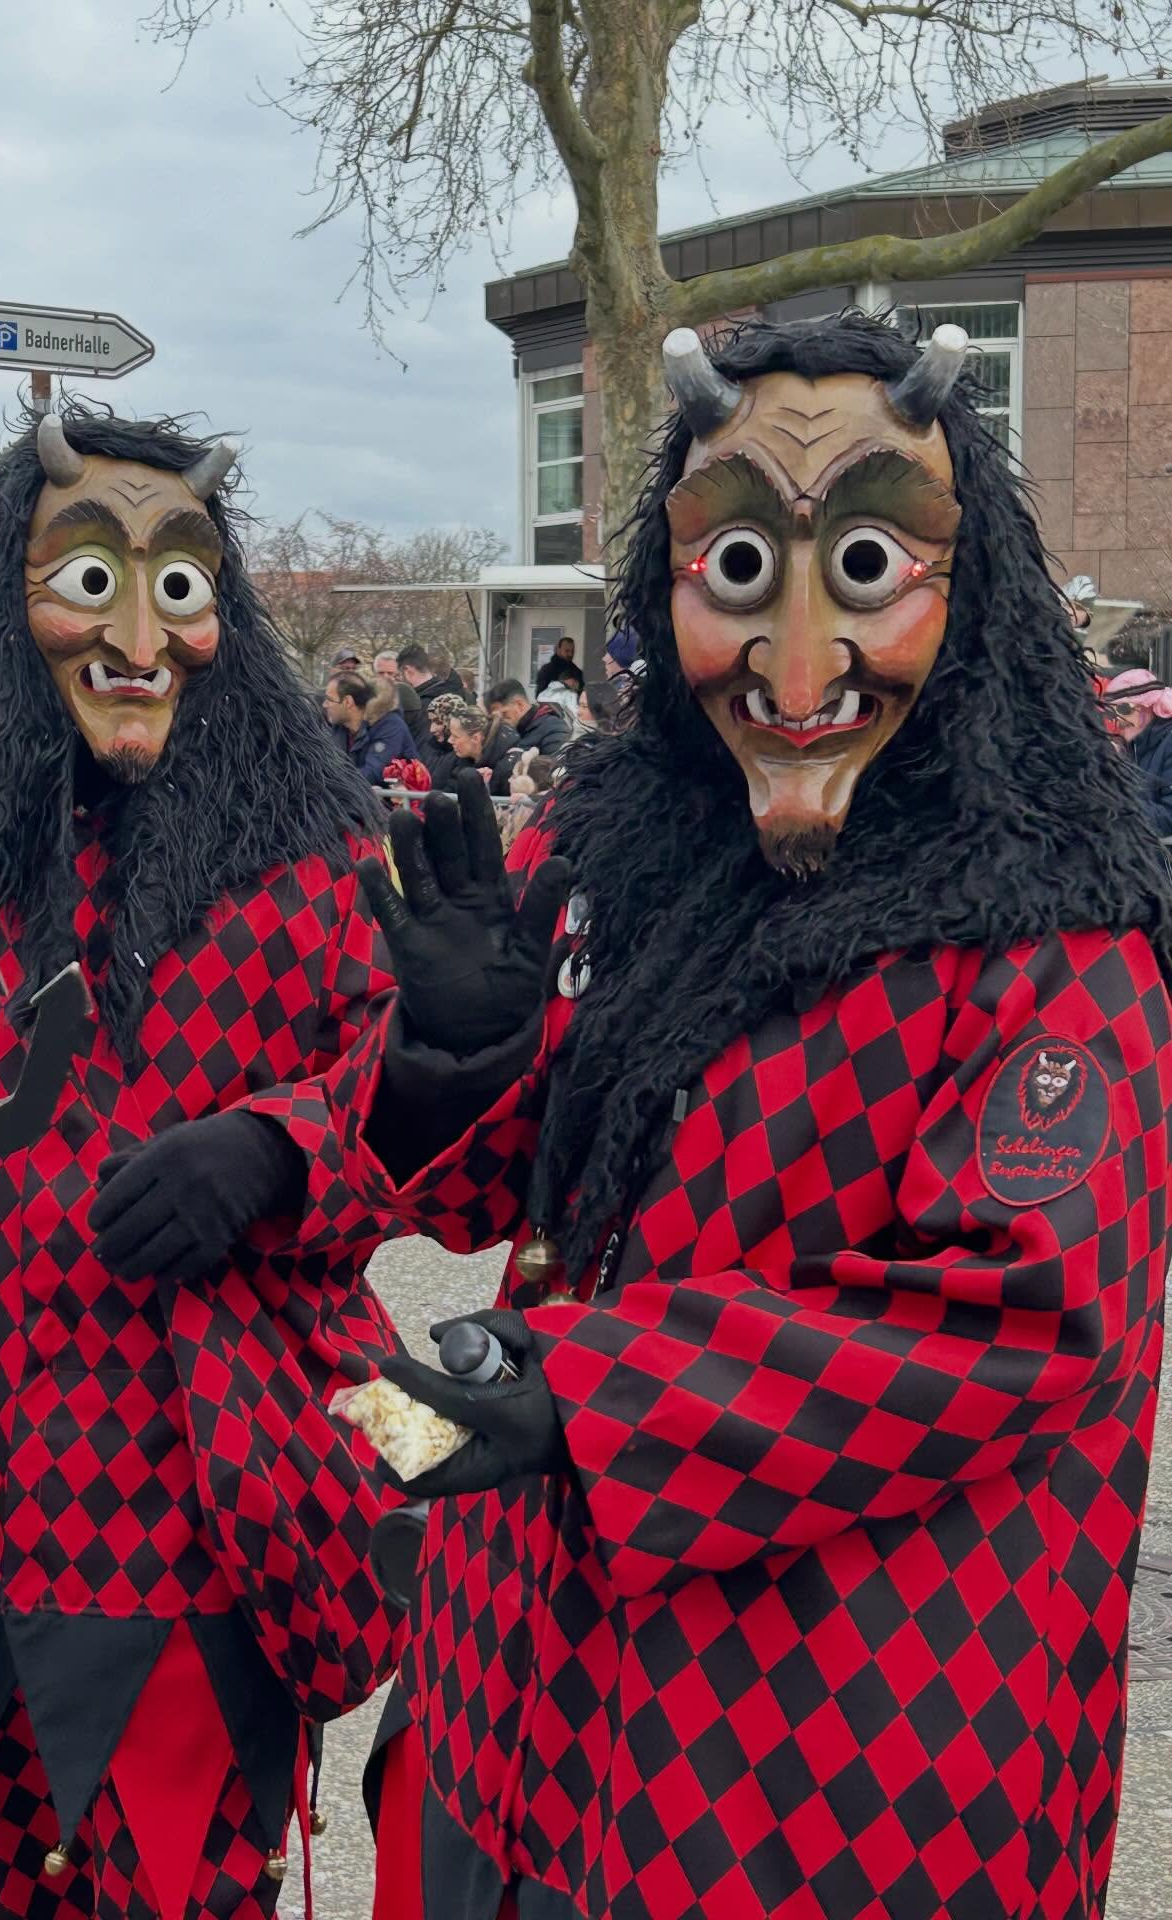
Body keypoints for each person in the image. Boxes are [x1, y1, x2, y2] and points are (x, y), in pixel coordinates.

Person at [301, 315, 1172, 1920]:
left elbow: (1024, 1322)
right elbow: (550, 1186)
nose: (792, 665)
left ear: (966, 600)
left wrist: (591, 1400)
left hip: (816, 1789)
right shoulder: (650, 866)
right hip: (524, 1711)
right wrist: (454, 1060)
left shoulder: (1054, 946)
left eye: (861, 569)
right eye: (735, 572)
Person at [0, 405, 408, 1918]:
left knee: (189, 1882)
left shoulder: (311, 869)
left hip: (199, 1512)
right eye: (89, 581)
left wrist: (275, 1154)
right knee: (14, 1883)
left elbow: (396, 1112)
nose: (139, 635)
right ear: (12, 601)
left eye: (179, 587)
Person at [324, 670, 424, 786]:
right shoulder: (339, 728)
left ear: (348, 702)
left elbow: (373, 773)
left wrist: (330, 782)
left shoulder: (390, 726)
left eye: (330, 699)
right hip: (352, 797)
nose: (324, 704)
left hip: (393, 801)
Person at [1107, 667, 1172, 837]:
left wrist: (1115, 804)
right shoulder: (1130, 745)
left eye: (1124, 709)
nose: (1118, 720)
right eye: (1111, 712)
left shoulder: (1169, 743)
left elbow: (1168, 818)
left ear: (1149, 706)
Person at [487, 677, 572, 757]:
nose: (501, 720)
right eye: (497, 716)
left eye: (505, 714)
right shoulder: (509, 731)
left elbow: (555, 766)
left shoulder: (554, 728)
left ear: (520, 705)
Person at [448, 701, 518, 797]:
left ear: (476, 738)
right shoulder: (464, 758)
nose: (450, 740)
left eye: (455, 736)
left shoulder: (507, 769)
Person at [375, 646, 429, 740]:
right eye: (381, 673)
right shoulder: (365, 700)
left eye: (390, 673)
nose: (386, 677)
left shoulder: (413, 702)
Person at [397, 643, 463, 716]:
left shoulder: (419, 705)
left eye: (399, 674)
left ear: (407, 670)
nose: (399, 679)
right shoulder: (449, 694)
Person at [422, 692, 463, 792]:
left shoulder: (462, 755)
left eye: (438, 722)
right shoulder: (431, 748)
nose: (432, 729)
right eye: (431, 721)